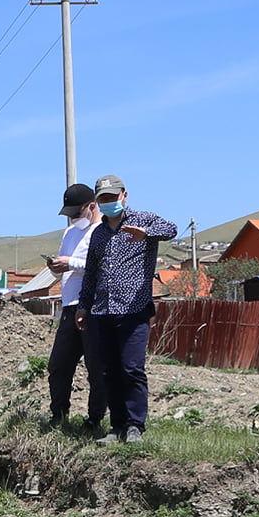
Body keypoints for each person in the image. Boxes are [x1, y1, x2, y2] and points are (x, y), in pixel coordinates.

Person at [75, 174, 177, 445]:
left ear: (124, 196)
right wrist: (83, 306)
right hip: (102, 311)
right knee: (108, 370)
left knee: (131, 368)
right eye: (103, 199)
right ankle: (116, 426)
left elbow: (172, 229)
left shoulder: (143, 220)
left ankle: (135, 425)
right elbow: (91, 274)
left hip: (133, 310)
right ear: (97, 202)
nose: (108, 202)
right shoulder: (97, 234)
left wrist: (147, 234)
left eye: (112, 197)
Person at [44, 182, 102, 429]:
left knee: (96, 367)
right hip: (69, 306)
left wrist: (72, 263)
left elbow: (102, 266)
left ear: (91, 206)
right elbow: (66, 267)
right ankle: (58, 416)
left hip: (93, 306)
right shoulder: (70, 234)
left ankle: (94, 419)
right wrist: (57, 267)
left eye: (76, 213)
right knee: (58, 365)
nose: (73, 219)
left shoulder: (102, 231)